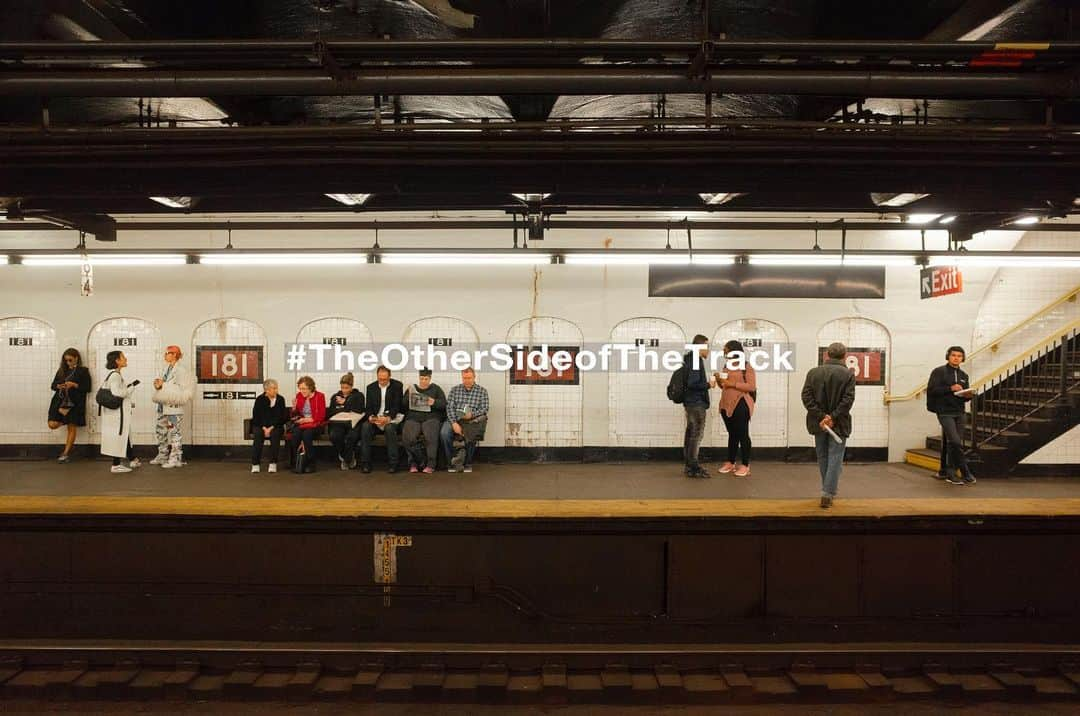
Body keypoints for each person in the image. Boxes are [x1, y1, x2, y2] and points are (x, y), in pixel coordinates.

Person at [801, 342, 856, 508]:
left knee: (823, 456)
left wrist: (821, 416)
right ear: (844, 355)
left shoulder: (813, 373)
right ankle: (828, 493)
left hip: (818, 423)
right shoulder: (848, 374)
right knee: (835, 458)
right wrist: (832, 417)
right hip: (839, 424)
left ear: (827, 354)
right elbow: (848, 400)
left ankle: (827, 489)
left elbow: (806, 397)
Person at [926, 346, 976, 486]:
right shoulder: (939, 372)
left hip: (960, 412)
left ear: (962, 358)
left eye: (959, 356)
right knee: (955, 442)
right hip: (944, 411)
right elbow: (932, 390)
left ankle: (947, 472)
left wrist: (968, 395)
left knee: (953, 443)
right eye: (953, 355)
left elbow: (963, 396)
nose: (956, 358)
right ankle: (965, 472)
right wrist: (950, 388)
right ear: (948, 356)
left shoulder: (964, 376)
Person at [715, 339, 757, 477]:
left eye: (725, 349)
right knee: (732, 434)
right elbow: (724, 386)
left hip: (741, 404)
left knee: (743, 434)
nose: (724, 352)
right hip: (726, 404)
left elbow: (751, 386)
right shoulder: (727, 365)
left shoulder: (746, 366)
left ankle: (745, 465)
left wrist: (731, 383)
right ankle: (730, 462)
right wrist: (720, 381)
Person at [150, 345, 194, 469]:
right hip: (162, 405)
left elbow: (181, 389)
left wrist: (163, 385)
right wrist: (158, 385)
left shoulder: (181, 370)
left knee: (174, 431)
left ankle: (176, 458)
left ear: (174, 354)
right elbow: (165, 385)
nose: (165, 355)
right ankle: (162, 454)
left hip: (173, 407)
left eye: (167, 353)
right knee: (160, 430)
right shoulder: (166, 368)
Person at [99, 350, 142, 474]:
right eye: (123, 357)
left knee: (124, 435)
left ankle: (133, 459)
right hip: (117, 414)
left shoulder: (114, 375)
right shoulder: (115, 376)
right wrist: (131, 388)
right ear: (117, 361)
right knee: (119, 435)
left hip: (116, 413)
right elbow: (117, 393)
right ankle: (116, 465)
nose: (126, 359)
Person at [441, 367, 490, 473]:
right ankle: (451, 462)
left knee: (471, 434)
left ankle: (467, 463)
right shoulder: (454, 390)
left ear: (474, 377)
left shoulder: (482, 391)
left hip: (471, 420)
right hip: (455, 419)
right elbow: (449, 407)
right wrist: (454, 423)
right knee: (444, 433)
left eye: (469, 378)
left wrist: (471, 415)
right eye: (464, 378)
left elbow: (485, 409)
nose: (467, 380)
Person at [357, 365, 405, 474]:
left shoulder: (397, 386)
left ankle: (393, 463)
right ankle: (365, 463)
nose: (382, 381)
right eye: (380, 379)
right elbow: (368, 408)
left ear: (389, 377)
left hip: (391, 418)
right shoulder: (371, 387)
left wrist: (387, 418)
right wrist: (371, 417)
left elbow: (397, 406)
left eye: (385, 379)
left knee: (389, 429)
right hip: (376, 419)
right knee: (365, 427)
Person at [47, 348, 91, 463]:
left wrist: (74, 385)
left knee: (71, 427)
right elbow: (53, 385)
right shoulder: (61, 370)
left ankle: (65, 453)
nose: (68, 363)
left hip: (75, 402)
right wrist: (59, 386)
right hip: (59, 401)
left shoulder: (83, 371)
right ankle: (64, 421)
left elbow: (87, 388)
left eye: (70, 360)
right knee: (52, 424)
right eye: (66, 360)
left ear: (76, 358)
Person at [683, 334, 718, 478]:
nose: (708, 350)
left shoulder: (690, 359)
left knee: (691, 434)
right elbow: (692, 384)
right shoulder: (695, 361)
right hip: (696, 403)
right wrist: (708, 384)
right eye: (707, 346)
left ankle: (689, 465)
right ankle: (693, 467)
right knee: (696, 435)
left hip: (690, 402)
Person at [402, 368, 447, 474]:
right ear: (419, 378)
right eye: (421, 378)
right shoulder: (412, 388)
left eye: (426, 379)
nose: (423, 381)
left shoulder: (436, 389)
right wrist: (408, 395)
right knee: (409, 436)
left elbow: (444, 404)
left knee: (430, 436)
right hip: (414, 417)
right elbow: (403, 405)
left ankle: (431, 464)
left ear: (430, 379)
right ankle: (414, 462)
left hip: (431, 417)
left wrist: (434, 402)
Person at [287, 375, 326, 474]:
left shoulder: (320, 396)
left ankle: (310, 463)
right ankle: (297, 462)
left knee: (307, 435)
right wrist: (294, 408)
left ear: (310, 388)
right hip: (302, 424)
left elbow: (321, 416)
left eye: (304, 389)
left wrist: (307, 420)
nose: (302, 391)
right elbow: (295, 416)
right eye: (300, 389)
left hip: (315, 424)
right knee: (295, 435)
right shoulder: (299, 396)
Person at [327, 372, 365, 471]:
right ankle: (346, 456)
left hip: (353, 423)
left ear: (351, 386)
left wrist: (346, 403)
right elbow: (332, 411)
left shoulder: (359, 396)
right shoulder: (335, 397)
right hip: (338, 423)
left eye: (347, 388)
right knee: (334, 436)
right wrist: (343, 409)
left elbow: (359, 410)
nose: (344, 390)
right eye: (342, 387)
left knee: (352, 436)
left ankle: (346, 459)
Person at [250, 378, 288, 474]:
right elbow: (256, 416)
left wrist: (271, 427)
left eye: (276, 388)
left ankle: (273, 463)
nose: (276, 390)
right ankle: (255, 464)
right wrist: (264, 427)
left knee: (275, 435)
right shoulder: (259, 399)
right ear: (266, 390)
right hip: (260, 426)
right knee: (258, 435)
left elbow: (282, 417)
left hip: (276, 426)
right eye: (273, 388)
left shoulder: (280, 399)